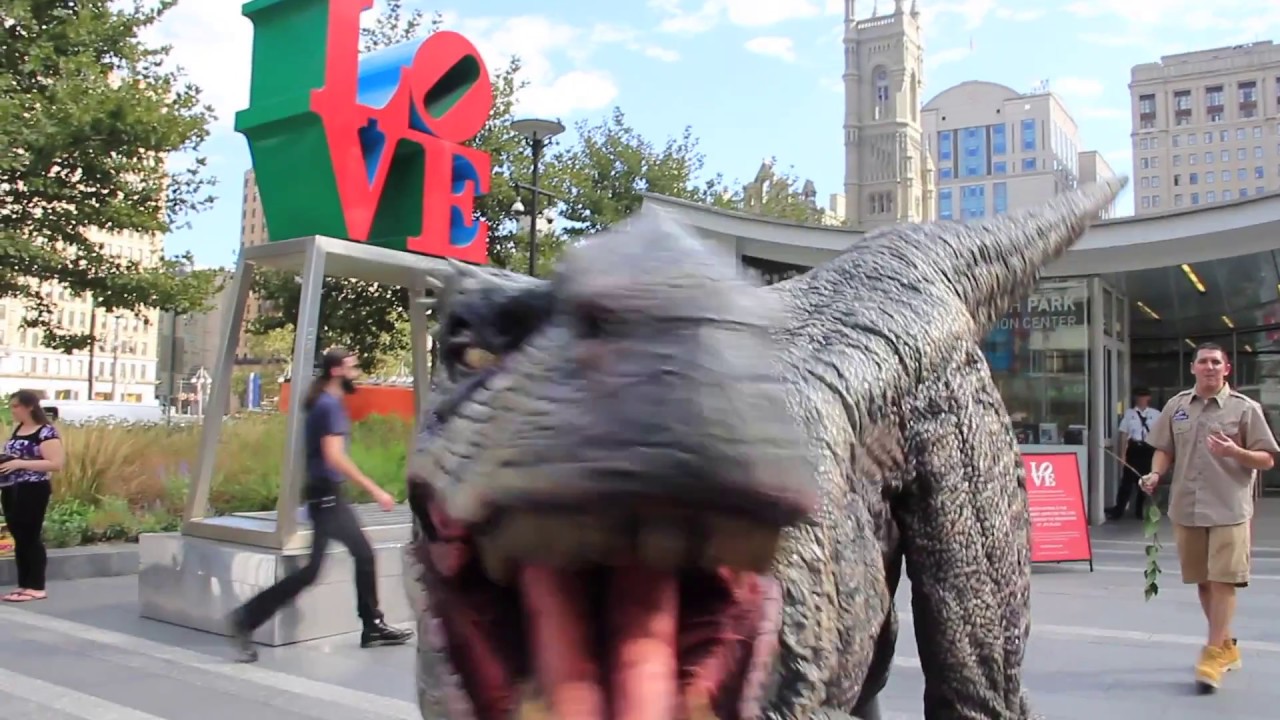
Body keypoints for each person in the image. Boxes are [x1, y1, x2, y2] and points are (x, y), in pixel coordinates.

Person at [228, 348, 413, 662]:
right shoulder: (329, 407)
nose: (357, 372)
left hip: (327, 495)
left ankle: (372, 625)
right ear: (338, 371)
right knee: (315, 571)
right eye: (353, 367)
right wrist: (376, 490)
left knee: (363, 554)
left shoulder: (326, 404)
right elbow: (334, 456)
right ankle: (245, 619)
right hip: (327, 496)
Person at [1141, 342, 1279, 692]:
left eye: (1216, 362)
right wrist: (1156, 474)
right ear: (1193, 368)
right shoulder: (1177, 406)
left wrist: (1236, 452)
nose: (1210, 367)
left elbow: (1267, 459)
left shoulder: (1245, 409)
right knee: (1203, 581)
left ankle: (1213, 652)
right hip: (1186, 506)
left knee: (1223, 581)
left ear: (1226, 369)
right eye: (1203, 361)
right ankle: (1228, 645)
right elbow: (1164, 449)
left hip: (1229, 508)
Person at [0, 390, 65, 603]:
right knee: (19, 536)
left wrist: (20, 463)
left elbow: (55, 463)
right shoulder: (18, 429)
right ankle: (23, 584)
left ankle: (36, 585)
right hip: (11, 487)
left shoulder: (46, 432)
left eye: (16, 406)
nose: (13, 411)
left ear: (29, 407)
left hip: (33, 488)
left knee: (30, 535)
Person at [1107, 387, 1161, 520]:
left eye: (1144, 396)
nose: (1141, 399)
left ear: (1148, 398)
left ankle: (1139, 511)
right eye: (1139, 397)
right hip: (1134, 448)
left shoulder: (1156, 414)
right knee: (1127, 482)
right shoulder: (1129, 414)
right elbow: (1123, 435)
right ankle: (1118, 510)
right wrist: (1122, 455)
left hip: (1148, 449)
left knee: (1145, 480)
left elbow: (1161, 433)